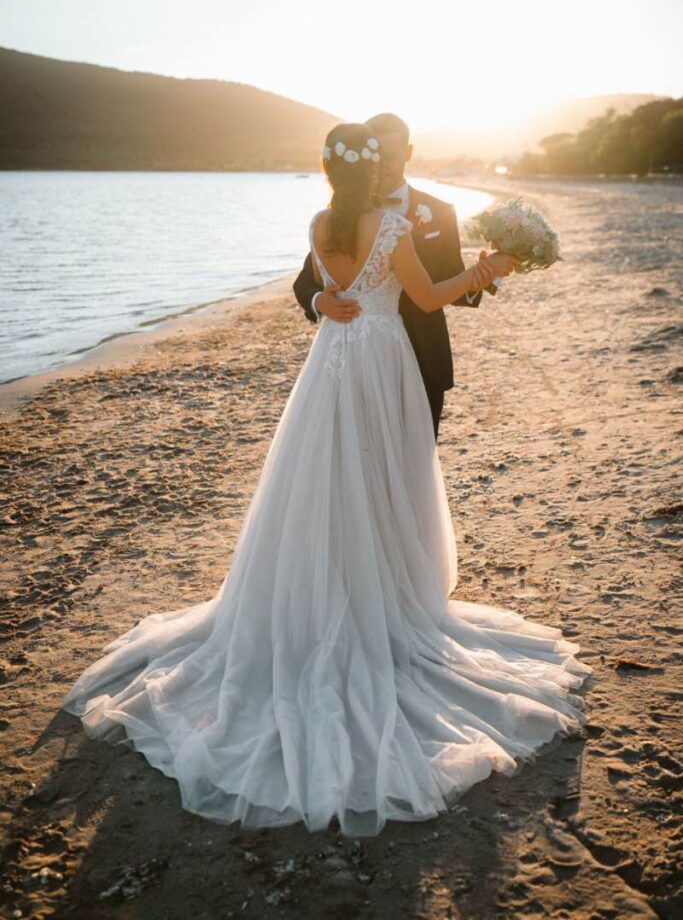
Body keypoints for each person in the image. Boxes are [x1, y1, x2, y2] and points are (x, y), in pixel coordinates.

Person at [62, 122, 591, 838]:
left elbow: (328, 284)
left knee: (321, 478)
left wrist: (325, 301)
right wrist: (488, 268)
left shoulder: (319, 222)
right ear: (377, 167)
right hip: (379, 364)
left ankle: (326, 588)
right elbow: (426, 300)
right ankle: (377, 595)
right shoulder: (393, 223)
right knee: (379, 479)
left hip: (330, 366)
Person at [293, 112, 499, 439]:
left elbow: (452, 280)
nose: (385, 165)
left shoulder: (441, 211)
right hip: (356, 361)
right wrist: (320, 302)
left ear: (408, 153)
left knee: (415, 463)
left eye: (391, 155)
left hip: (422, 358)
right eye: (379, 156)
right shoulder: (339, 217)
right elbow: (306, 280)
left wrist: (486, 276)